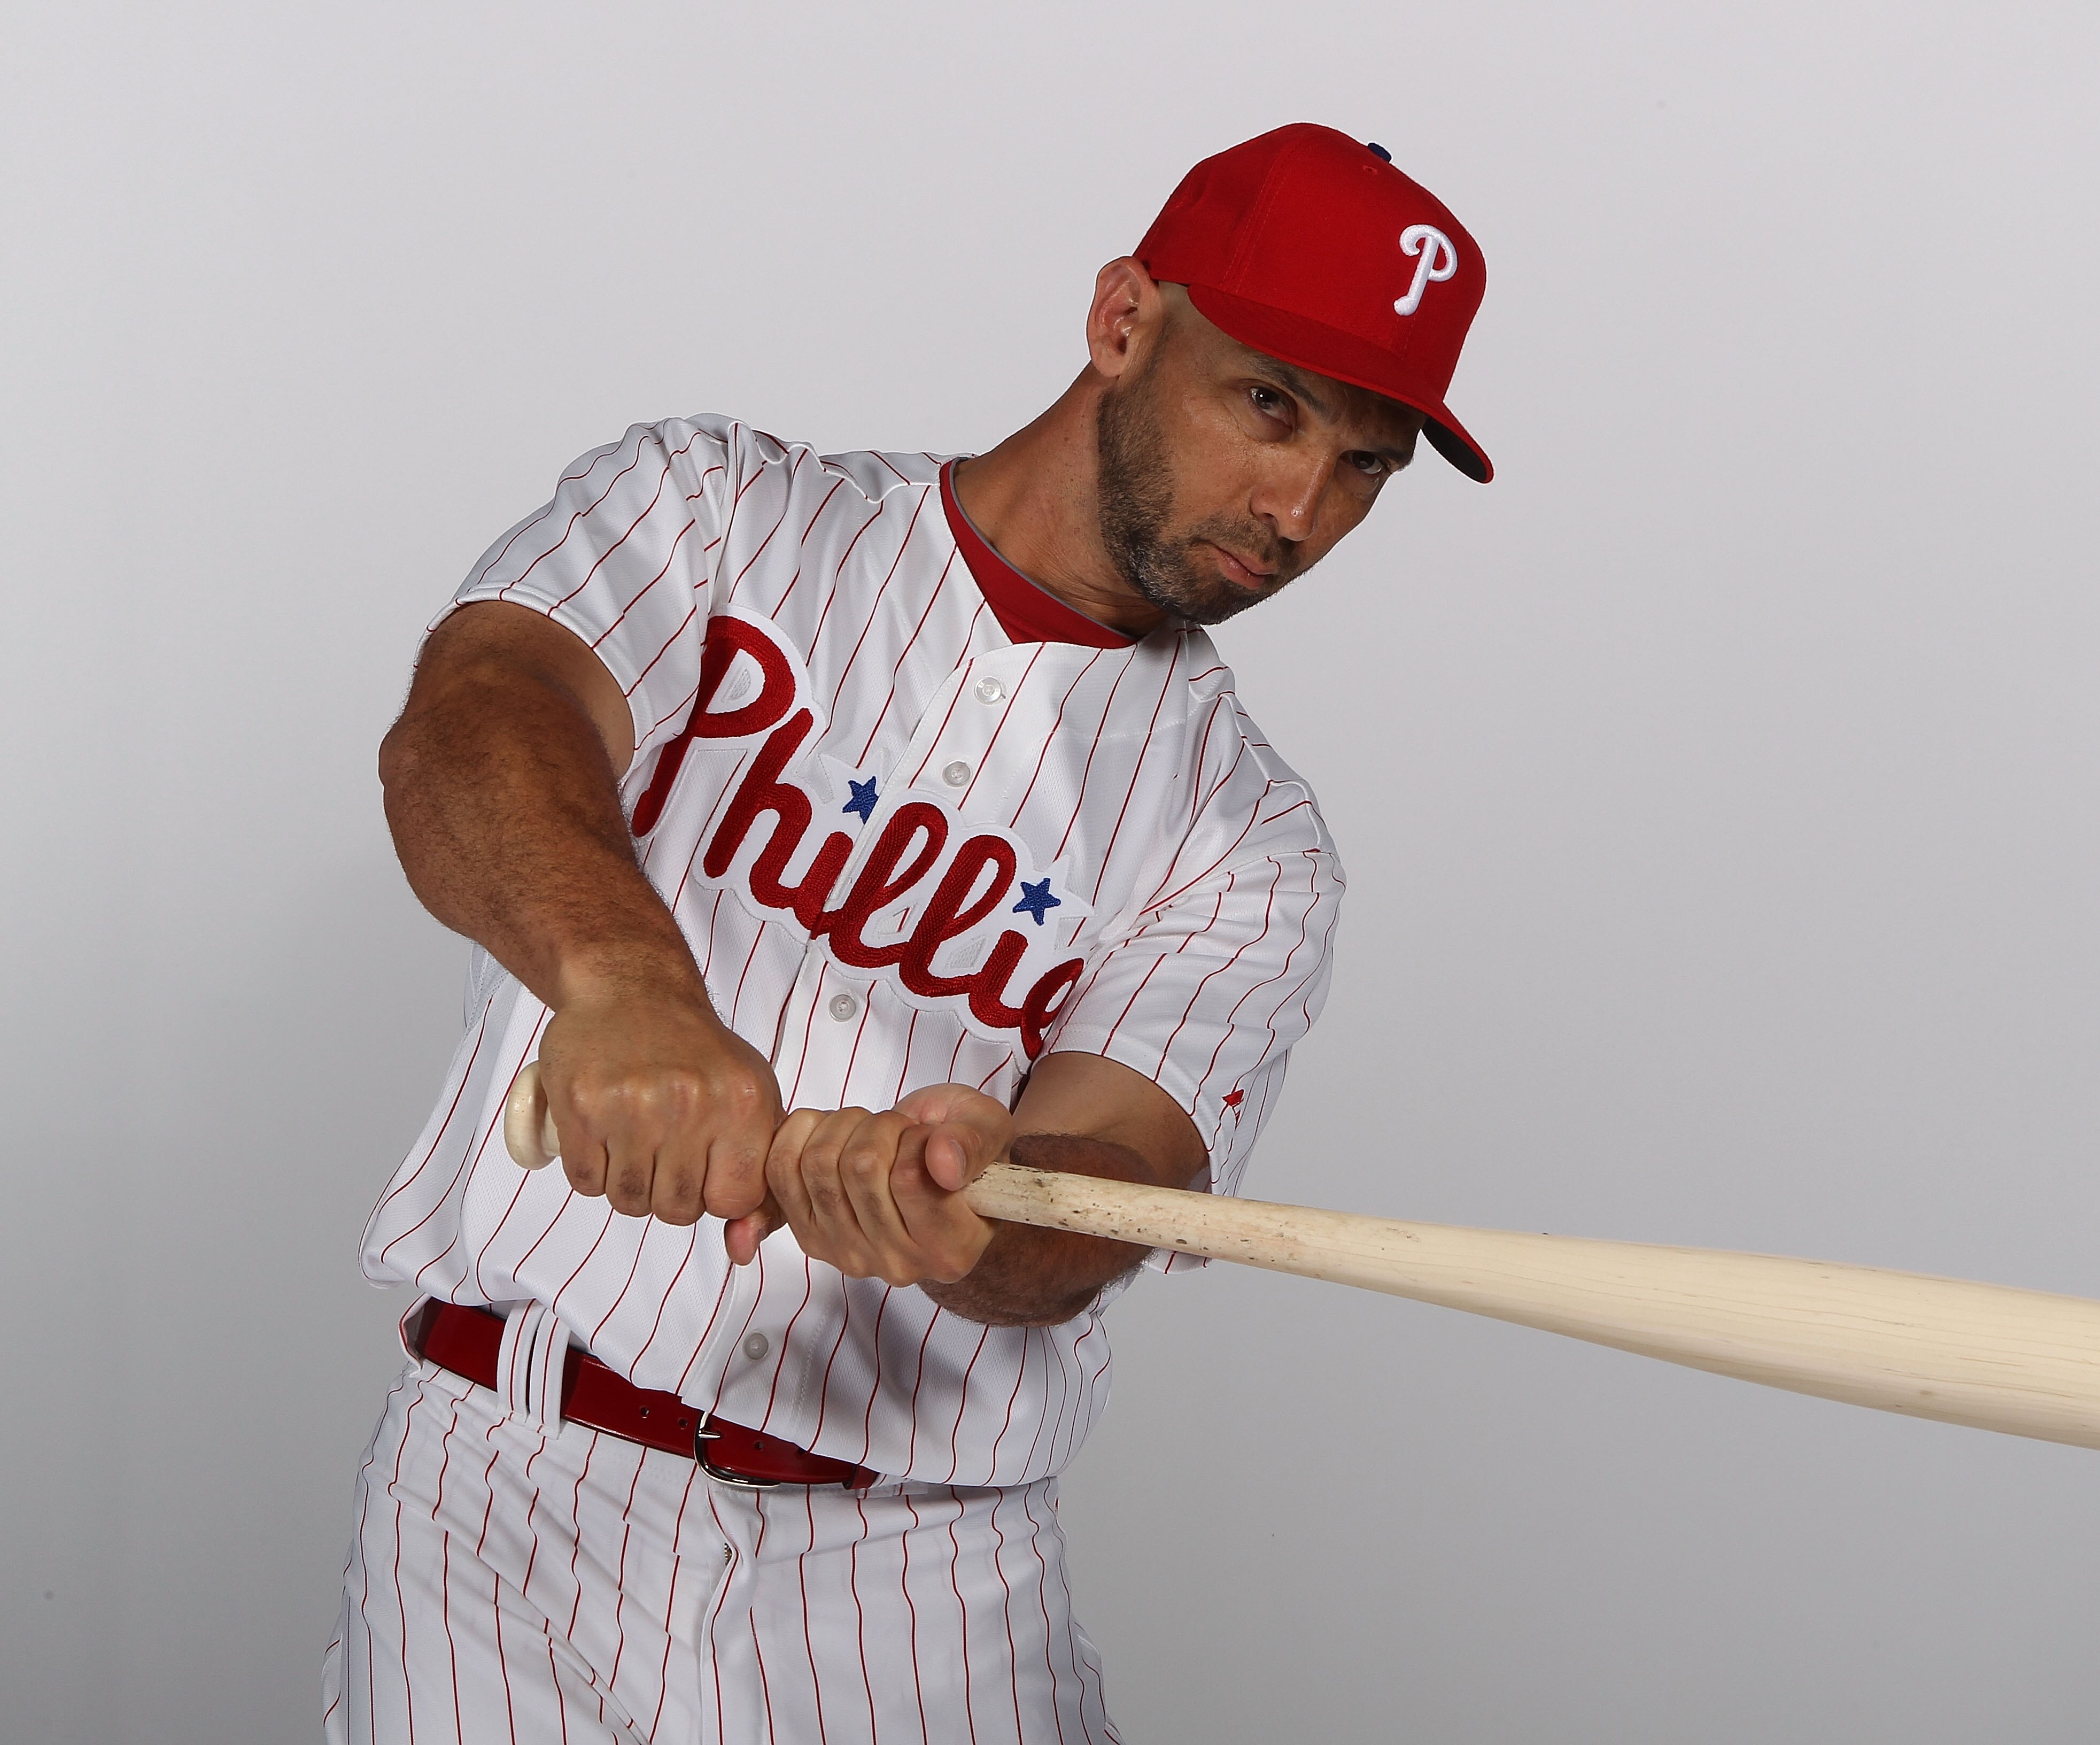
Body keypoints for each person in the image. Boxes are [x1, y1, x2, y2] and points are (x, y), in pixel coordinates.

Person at [325, 122, 1492, 1744]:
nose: (1298, 506)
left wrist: (985, 1217)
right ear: (1123, 322)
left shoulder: (1253, 837)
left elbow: (1122, 1184)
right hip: (499, 1499)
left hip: (912, 1583)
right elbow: (469, 725)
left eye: (1366, 463)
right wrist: (627, 989)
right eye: (1270, 404)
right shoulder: (721, 512)